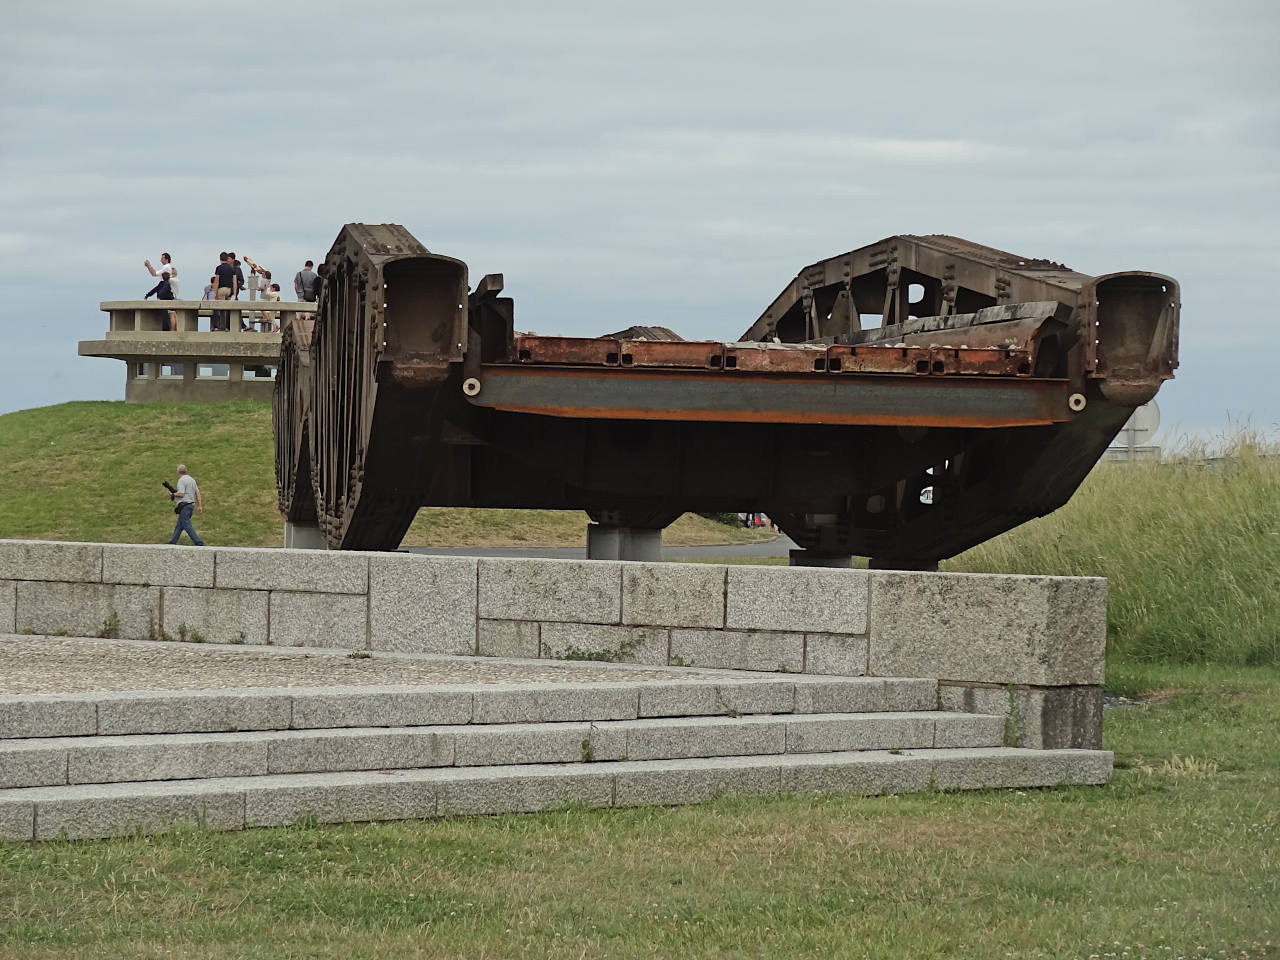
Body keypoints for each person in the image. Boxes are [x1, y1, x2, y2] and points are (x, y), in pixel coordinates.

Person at [166, 464, 205, 546]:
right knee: (179, 525)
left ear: (178, 472)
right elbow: (197, 493)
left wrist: (172, 494)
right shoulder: (192, 480)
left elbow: (181, 494)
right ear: (186, 471)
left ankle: (199, 543)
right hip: (191, 506)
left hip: (184, 506)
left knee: (186, 524)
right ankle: (172, 543)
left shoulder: (181, 480)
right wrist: (200, 505)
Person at [211, 252, 238, 331]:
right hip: (229, 290)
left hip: (221, 289)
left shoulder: (219, 268)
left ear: (220, 259)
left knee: (218, 307)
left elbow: (216, 281)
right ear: (227, 259)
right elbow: (235, 282)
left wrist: (215, 293)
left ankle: (217, 326)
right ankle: (227, 327)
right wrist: (234, 294)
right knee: (227, 308)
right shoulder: (232, 268)